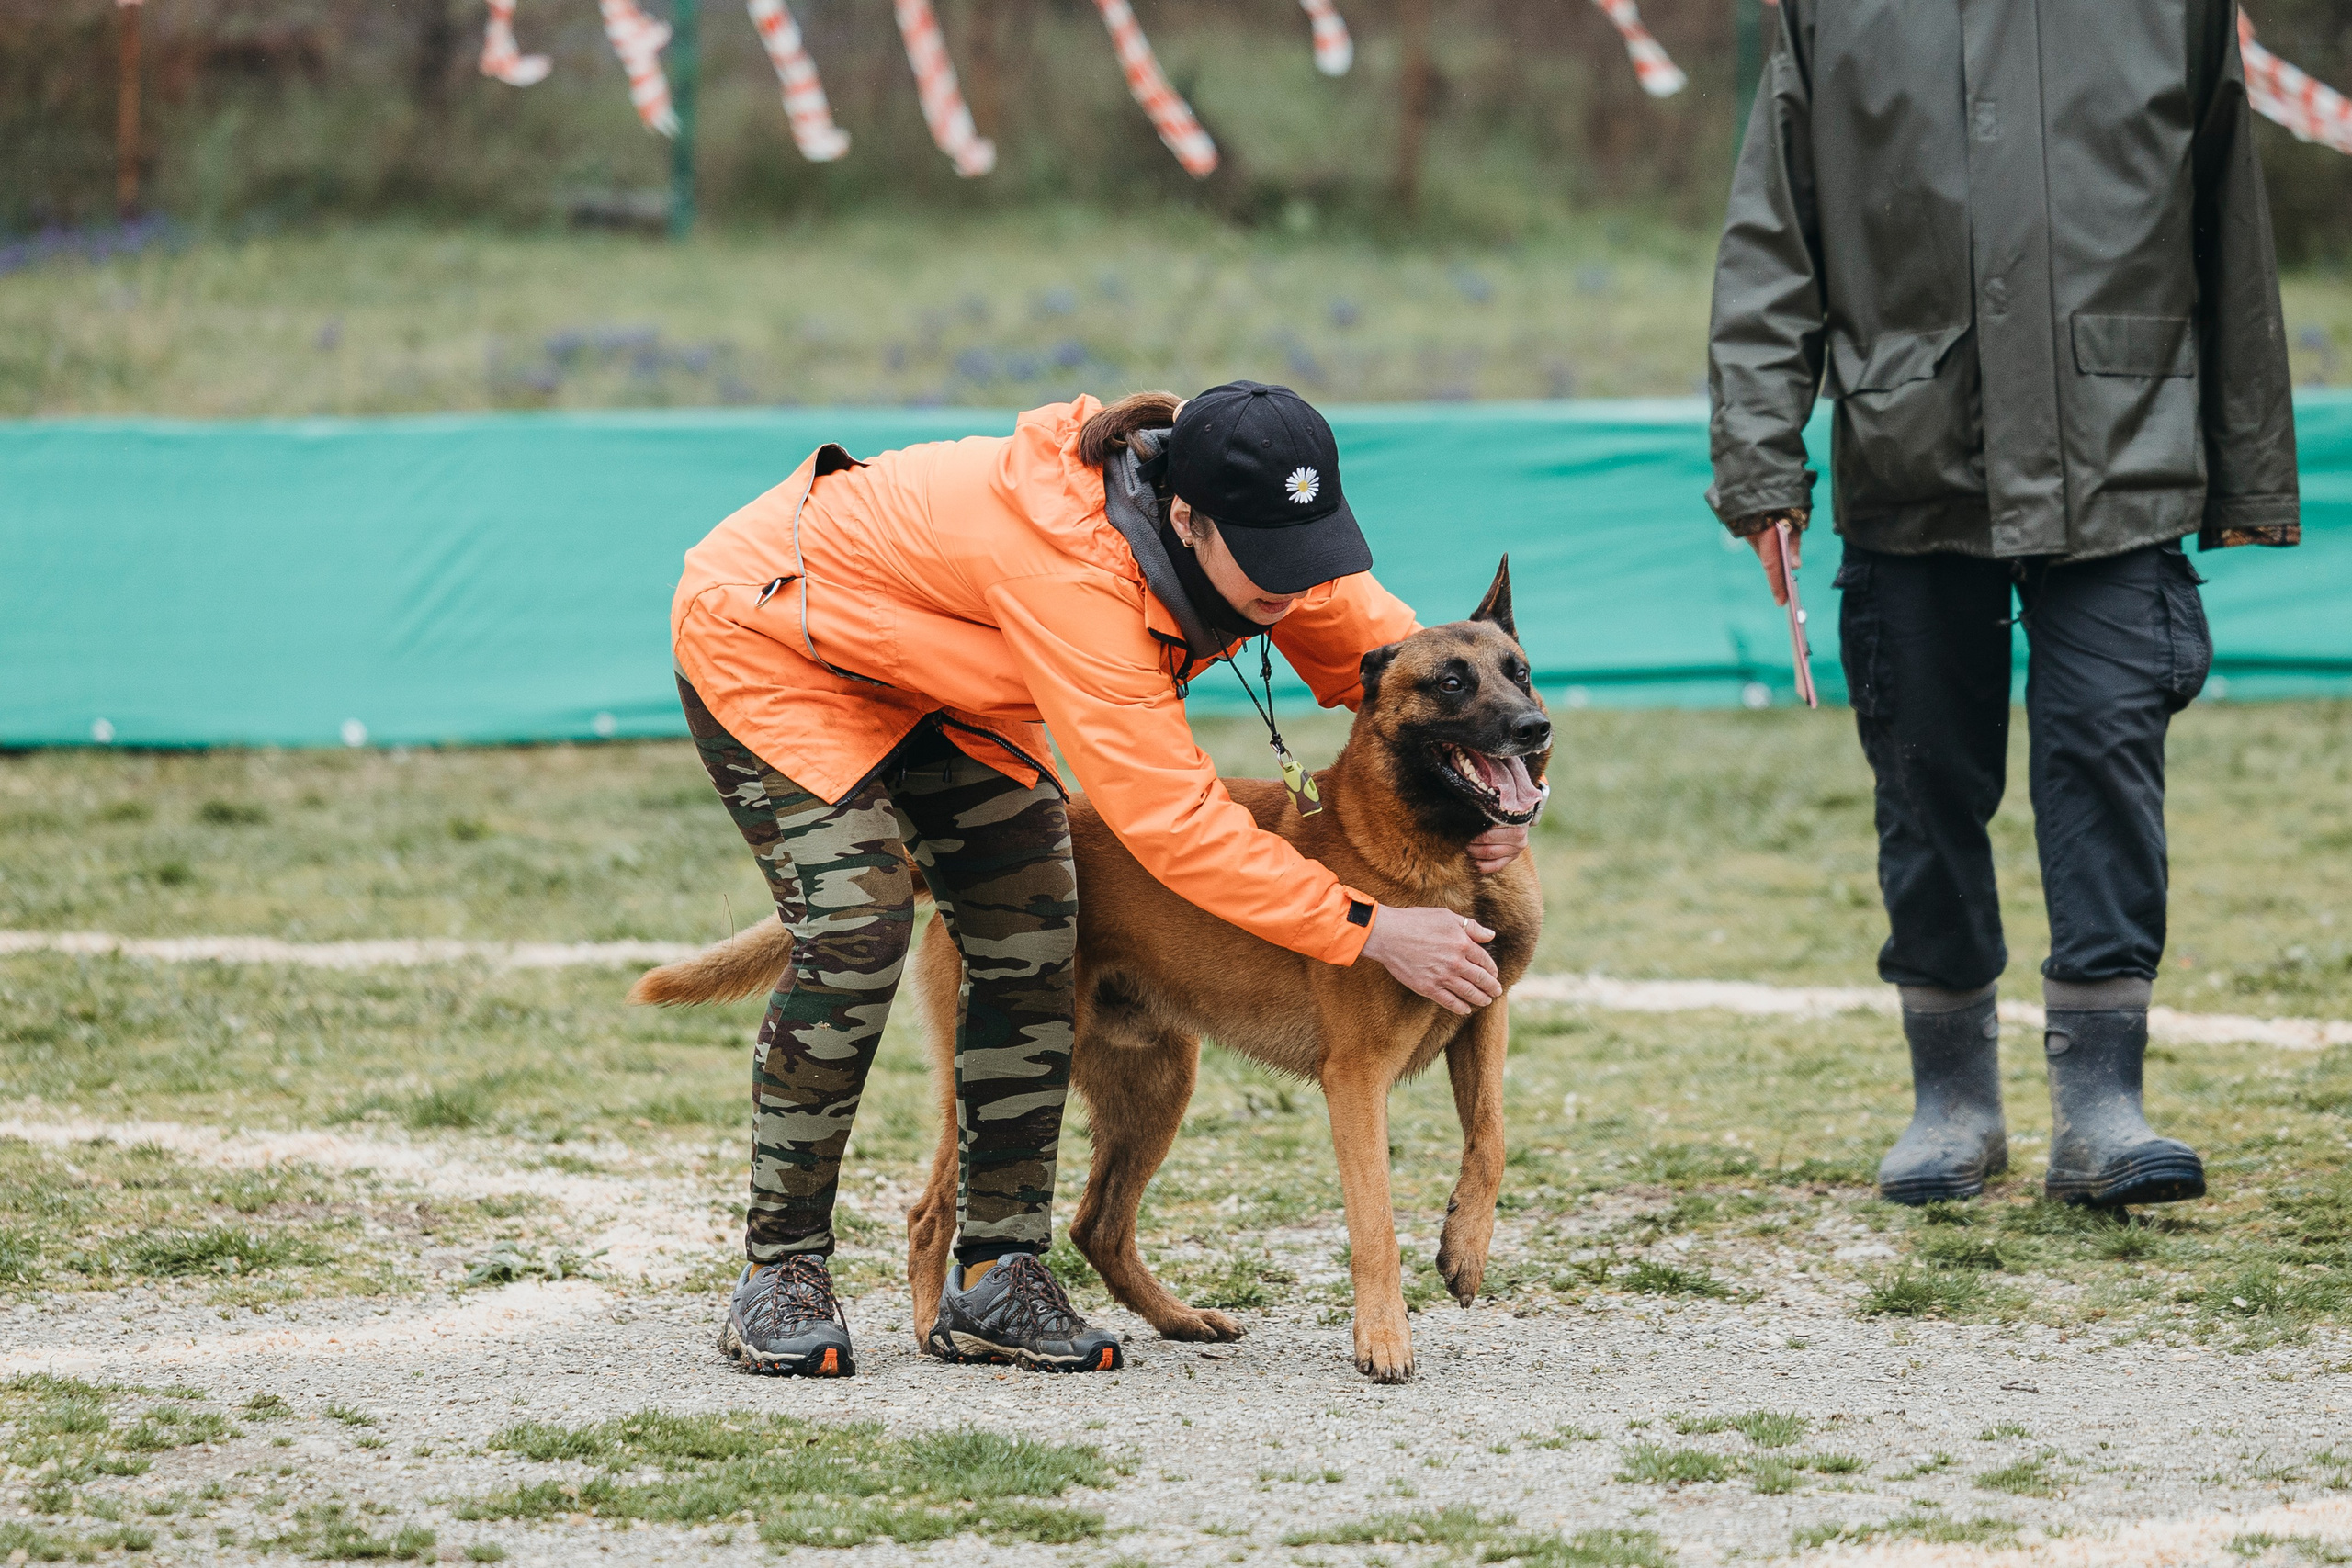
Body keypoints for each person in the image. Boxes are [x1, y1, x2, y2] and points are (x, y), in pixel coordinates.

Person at [670, 382, 1529, 1376]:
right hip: (777, 639)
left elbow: (1391, 671)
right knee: (858, 926)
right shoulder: (1080, 578)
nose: (1296, 582)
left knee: (1035, 921)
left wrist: (1491, 793)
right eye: (1271, 561)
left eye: (1312, 550)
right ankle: (782, 1267)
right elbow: (1175, 825)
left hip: (946, 674)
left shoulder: (1267, 531)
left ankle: (997, 1274)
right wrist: (1369, 926)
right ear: (1186, 519)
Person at [1707, 0, 2299, 1209]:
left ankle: (2101, 1107)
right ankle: (1954, 1101)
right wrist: (1761, 463)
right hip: (1908, 453)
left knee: (2106, 758)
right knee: (1923, 777)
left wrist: (2249, 470)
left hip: (2122, 448)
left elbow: (2228, 223)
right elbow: (1774, 233)